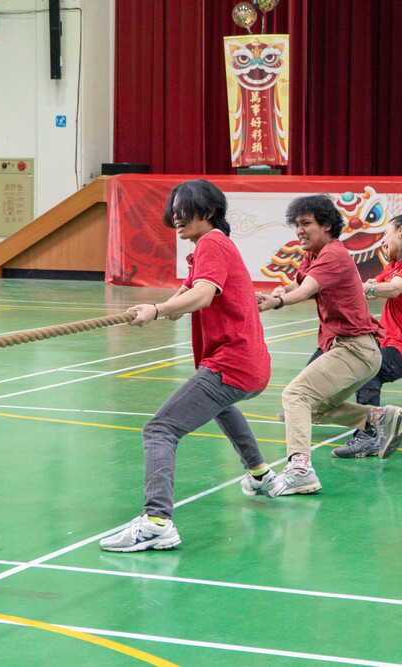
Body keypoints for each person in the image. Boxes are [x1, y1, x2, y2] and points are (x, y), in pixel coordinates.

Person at [101, 179, 274, 552]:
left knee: (160, 429)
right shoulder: (208, 249)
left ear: (208, 213)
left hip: (233, 363)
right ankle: (261, 473)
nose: (176, 217)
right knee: (221, 407)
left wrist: (160, 310)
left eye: (184, 209)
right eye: (173, 209)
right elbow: (190, 291)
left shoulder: (212, 242)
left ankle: (157, 522)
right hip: (249, 365)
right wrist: (163, 307)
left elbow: (203, 294)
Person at [256, 194, 402, 494]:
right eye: (297, 224)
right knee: (306, 409)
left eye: (306, 224)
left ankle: (300, 469)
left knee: (295, 395)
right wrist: (282, 290)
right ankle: (377, 417)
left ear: (326, 225)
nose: (299, 230)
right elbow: (303, 286)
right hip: (348, 349)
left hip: (356, 349)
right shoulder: (313, 254)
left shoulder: (333, 254)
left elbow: (307, 290)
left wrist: (277, 301)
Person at [332, 214, 402, 458]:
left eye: (386, 235)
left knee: (370, 371)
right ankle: (316, 406)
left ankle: (370, 436)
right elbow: (368, 288)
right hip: (388, 342)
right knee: (342, 354)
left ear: (401, 232)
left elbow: (393, 288)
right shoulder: (392, 266)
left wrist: (369, 288)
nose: (382, 242)